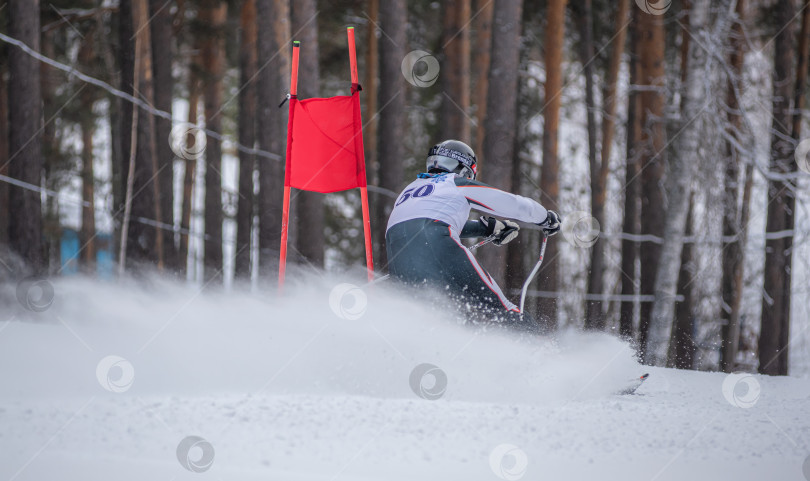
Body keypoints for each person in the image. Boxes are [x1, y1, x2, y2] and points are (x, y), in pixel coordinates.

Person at [385, 139, 561, 332]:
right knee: (500, 309)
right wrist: (544, 217)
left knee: (434, 317)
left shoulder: (408, 191)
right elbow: (511, 204)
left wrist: (484, 228)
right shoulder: (454, 183)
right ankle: (539, 345)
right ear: (465, 170)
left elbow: (424, 223)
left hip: (398, 262)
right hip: (439, 248)